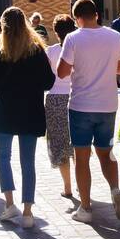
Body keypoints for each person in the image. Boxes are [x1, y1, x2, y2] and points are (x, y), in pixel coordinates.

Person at [0, 7, 55, 228]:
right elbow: (48, 83)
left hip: (5, 112)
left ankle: (9, 204)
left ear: (2, 26)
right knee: (28, 162)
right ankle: (27, 212)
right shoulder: (36, 51)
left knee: (3, 158)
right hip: (31, 113)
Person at [57, 0, 120, 224]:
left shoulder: (73, 38)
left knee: (82, 158)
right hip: (107, 105)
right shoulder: (114, 36)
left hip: (81, 105)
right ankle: (115, 189)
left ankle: (86, 208)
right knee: (106, 153)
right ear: (96, 14)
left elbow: (61, 72)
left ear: (77, 18)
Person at [44, 14, 77, 198]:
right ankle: (82, 183)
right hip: (76, 97)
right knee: (78, 143)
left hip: (55, 98)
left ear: (56, 33)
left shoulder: (51, 51)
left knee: (60, 144)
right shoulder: (80, 49)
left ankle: (68, 187)